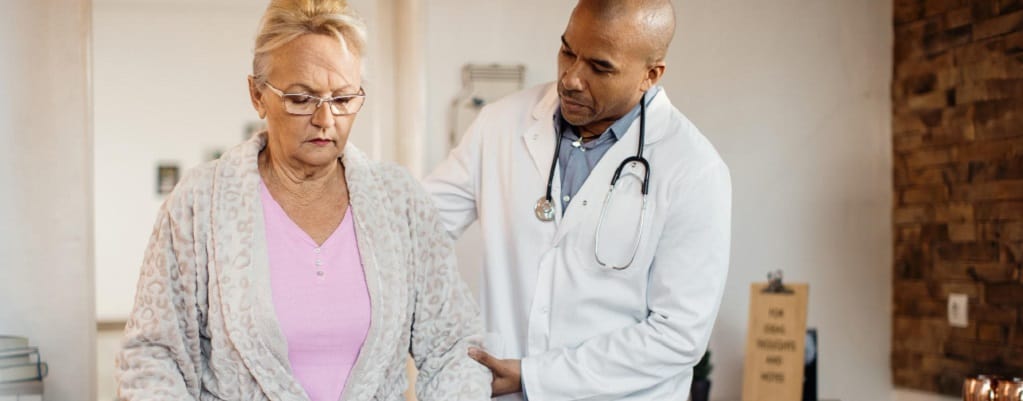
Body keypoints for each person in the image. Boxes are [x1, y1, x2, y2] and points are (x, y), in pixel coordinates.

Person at [115, 1, 489, 400]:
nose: (325, 120)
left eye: (343, 99)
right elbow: (153, 357)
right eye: (300, 99)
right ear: (258, 95)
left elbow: (454, 349)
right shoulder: (198, 204)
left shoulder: (400, 201)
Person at [423, 0, 731, 400]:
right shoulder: (500, 124)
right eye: (568, 51)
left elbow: (677, 335)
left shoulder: (693, 169)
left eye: (600, 67)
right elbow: (415, 230)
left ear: (650, 75)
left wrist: (535, 375)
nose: (570, 78)